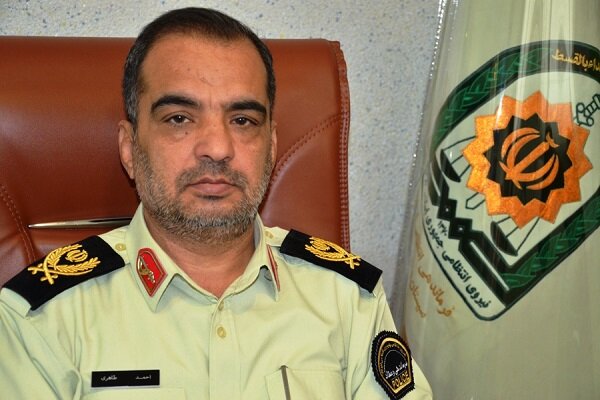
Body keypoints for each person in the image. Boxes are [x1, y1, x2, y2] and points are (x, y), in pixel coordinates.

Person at [0, 7, 432, 399]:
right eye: (179, 119)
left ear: (271, 147)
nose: (218, 148)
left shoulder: (349, 299)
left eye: (242, 120)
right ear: (129, 148)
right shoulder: (38, 321)